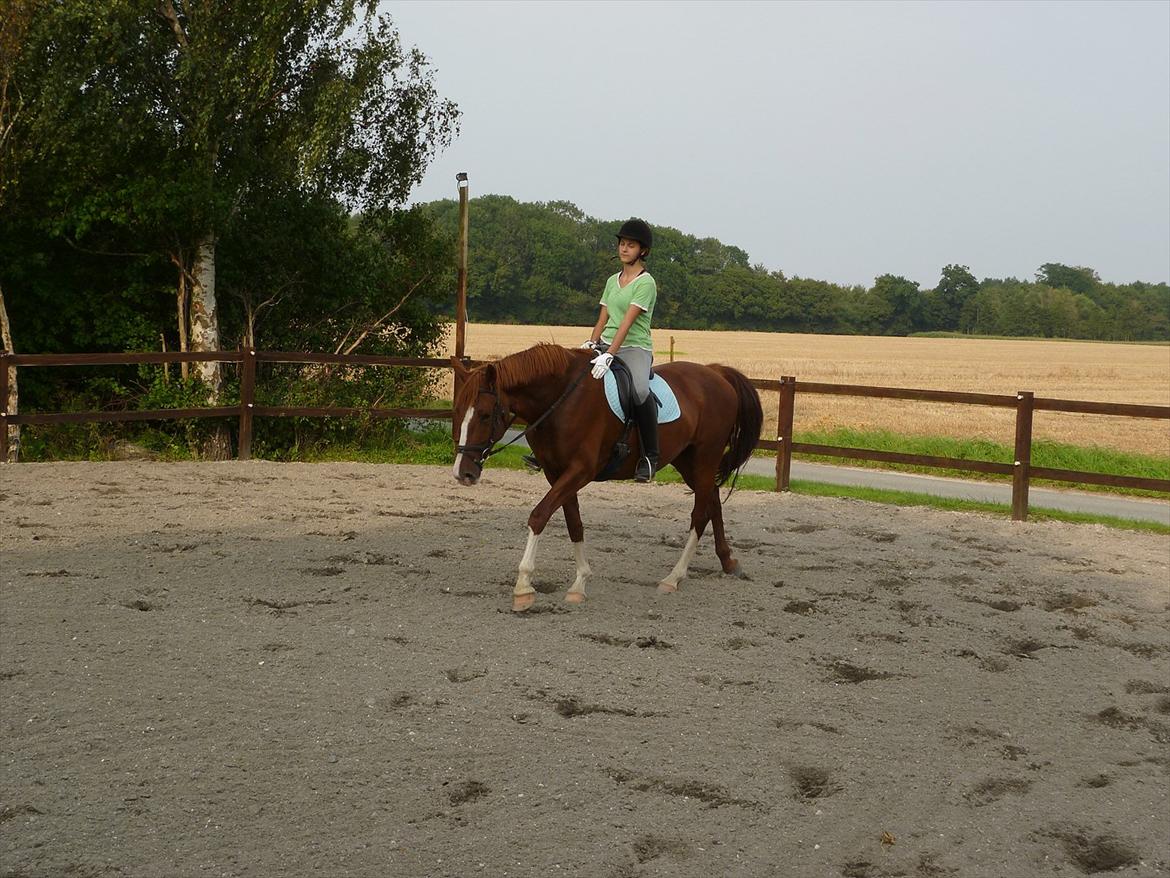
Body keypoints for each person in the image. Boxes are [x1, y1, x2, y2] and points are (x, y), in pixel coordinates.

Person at [582, 218, 659, 482]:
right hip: (605, 344)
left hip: (634, 347)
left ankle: (650, 456)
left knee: (640, 390)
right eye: (622, 244)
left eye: (631, 245)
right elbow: (603, 317)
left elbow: (627, 322)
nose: (624, 249)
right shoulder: (611, 281)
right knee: (574, 380)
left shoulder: (646, 283)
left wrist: (609, 354)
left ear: (643, 251)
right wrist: (592, 343)